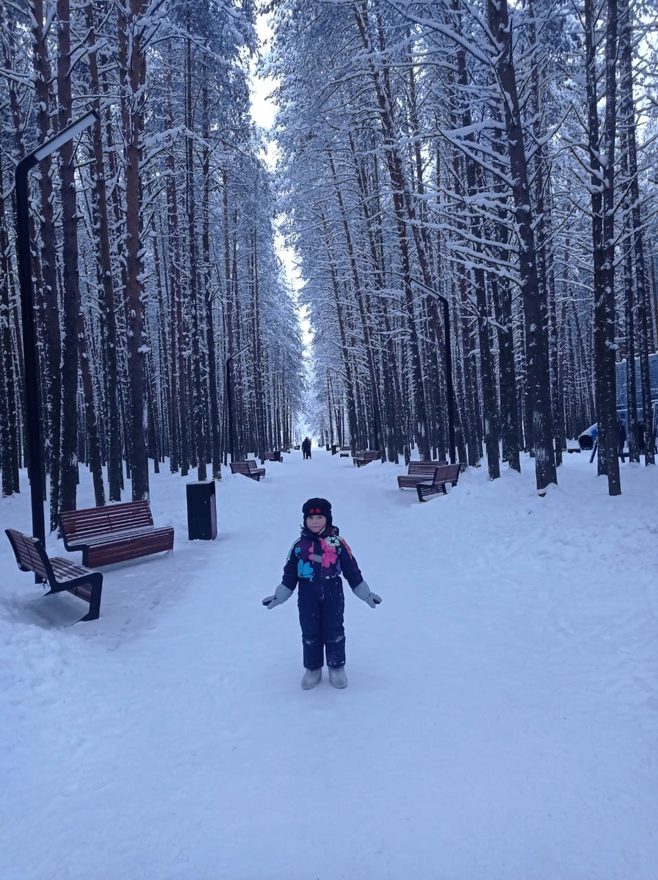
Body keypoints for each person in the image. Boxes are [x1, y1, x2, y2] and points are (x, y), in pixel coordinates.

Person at [262, 497, 381, 689]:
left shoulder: (338, 543)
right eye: (311, 518)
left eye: (319, 517)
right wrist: (279, 596)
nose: (315, 521)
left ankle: (336, 666)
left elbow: (352, 571)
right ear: (305, 520)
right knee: (310, 630)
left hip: (333, 590)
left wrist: (366, 594)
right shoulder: (299, 546)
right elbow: (289, 575)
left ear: (328, 518)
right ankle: (313, 667)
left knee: (334, 628)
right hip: (307, 592)